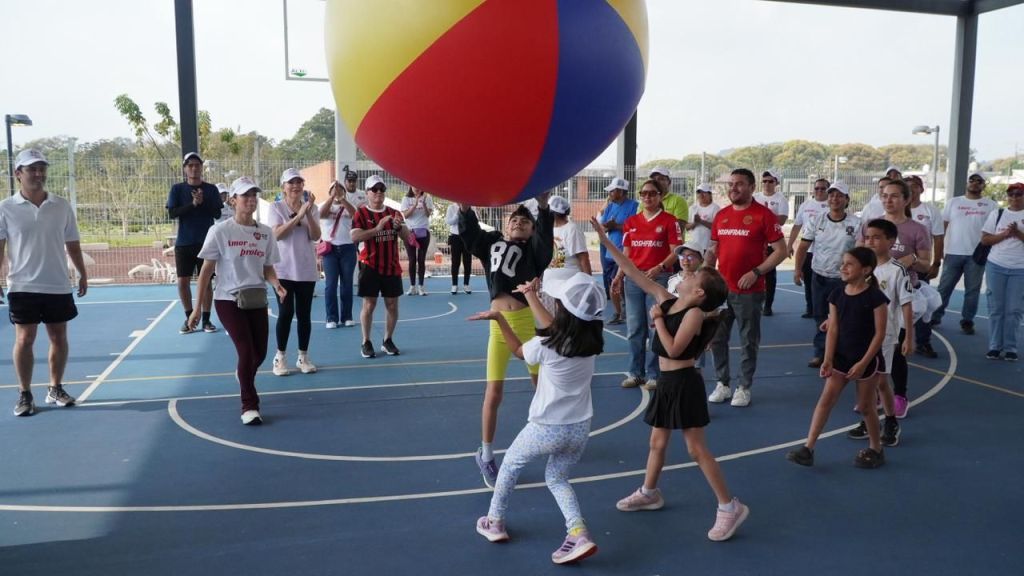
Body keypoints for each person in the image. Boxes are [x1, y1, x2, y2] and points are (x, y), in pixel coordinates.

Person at [594, 216, 749, 542]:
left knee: (696, 449)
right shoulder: (669, 301)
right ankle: (649, 492)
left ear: (699, 292)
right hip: (666, 383)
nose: (686, 272)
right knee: (657, 443)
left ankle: (729, 505)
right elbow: (634, 271)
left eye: (693, 274)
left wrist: (658, 321)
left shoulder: (693, 314)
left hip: (684, 383)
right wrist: (606, 242)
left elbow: (675, 350)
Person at [470, 269, 604, 565]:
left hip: (547, 427)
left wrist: (500, 319)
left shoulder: (547, 344)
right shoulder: (591, 341)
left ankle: (494, 521)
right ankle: (578, 532)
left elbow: (519, 351)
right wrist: (530, 295)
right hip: (580, 427)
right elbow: (556, 324)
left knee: (509, 465)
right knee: (557, 478)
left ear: (562, 311)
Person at [459, 194, 554, 487]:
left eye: (525, 221)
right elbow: (471, 236)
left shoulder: (534, 250)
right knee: (494, 392)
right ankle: (486, 454)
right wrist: (465, 208)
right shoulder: (491, 243)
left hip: (526, 322)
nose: (518, 223)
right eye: (514, 219)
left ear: (532, 229)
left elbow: (545, 241)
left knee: (541, 385)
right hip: (498, 324)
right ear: (505, 224)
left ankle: (550, 432)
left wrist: (543, 207)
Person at [188, 177, 286, 425]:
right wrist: (197, 308)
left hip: (256, 298)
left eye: (254, 195)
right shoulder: (220, 231)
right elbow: (206, 271)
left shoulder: (265, 233)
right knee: (245, 349)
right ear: (233, 200)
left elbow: (268, 267)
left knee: (259, 354)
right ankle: (249, 406)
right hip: (228, 299)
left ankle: (243, 374)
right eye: (245, 195)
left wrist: (276, 284)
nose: (251, 200)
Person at [0, 149, 87, 416]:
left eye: (41, 169)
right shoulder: (5, 208)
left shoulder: (61, 206)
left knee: (59, 337)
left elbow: (72, 243)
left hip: (57, 284)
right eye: (32, 169)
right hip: (22, 285)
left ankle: (55, 388)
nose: (38, 174)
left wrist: (82, 273)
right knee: (25, 338)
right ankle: (25, 393)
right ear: (18, 174)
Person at [787, 246, 889, 469]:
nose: (843, 267)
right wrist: (828, 358)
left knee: (866, 407)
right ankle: (808, 448)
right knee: (825, 401)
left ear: (866, 270)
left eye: (849, 264)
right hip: (841, 358)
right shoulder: (837, 294)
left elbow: (880, 334)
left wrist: (863, 363)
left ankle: (876, 448)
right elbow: (832, 329)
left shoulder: (875, 298)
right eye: (843, 263)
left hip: (866, 361)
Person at [705, 169, 787, 408]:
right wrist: (705, 275)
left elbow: (781, 251)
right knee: (717, 338)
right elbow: (713, 249)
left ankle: (743, 387)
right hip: (721, 290)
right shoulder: (721, 215)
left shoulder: (764, 215)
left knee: (748, 341)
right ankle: (722, 383)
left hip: (750, 292)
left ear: (752, 187)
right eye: (731, 184)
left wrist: (756, 272)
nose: (734, 188)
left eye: (739, 184)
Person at [857, 179, 930, 419]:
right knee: (871, 346)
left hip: (899, 297)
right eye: (885, 195)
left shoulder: (917, 229)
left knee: (896, 351)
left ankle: (899, 395)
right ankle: (875, 392)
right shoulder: (871, 225)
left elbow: (928, 265)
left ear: (907, 199)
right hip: (872, 296)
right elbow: (859, 255)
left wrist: (912, 260)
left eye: (895, 196)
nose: (888, 200)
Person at [848, 218, 913, 447]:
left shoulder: (897, 270)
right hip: (861, 334)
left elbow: (906, 304)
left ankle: (891, 421)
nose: (870, 241)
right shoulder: (863, 267)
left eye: (876, 237)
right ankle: (869, 420)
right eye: (868, 237)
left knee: (880, 382)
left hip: (885, 335)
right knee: (865, 380)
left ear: (891, 241)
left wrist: (909, 337)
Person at [613, 179, 681, 390]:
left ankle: (654, 374)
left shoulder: (670, 221)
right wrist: (619, 275)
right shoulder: (631, 222)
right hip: (634, 279)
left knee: (655, 327)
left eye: (652, 193)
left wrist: (660, 267)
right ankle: (635, 373)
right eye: (643, 194)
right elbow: (627, 253)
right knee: (634, 328)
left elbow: (676, 251)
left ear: (660, 196)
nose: (647, 197)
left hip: (659, 279)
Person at [793, 182, 860, 368]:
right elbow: (803, 247)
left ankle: (844, 353)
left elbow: (861, 251)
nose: (834, 199)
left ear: (847, 200)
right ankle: (821, 353)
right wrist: (797, 269)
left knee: (845, 318)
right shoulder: (817, 220)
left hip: (844, 280)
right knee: (820, 317)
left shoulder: (856, 223)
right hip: (820, 277)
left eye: (839, 195)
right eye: (832, 195)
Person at [350, 175, 413, 358]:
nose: (378, 192)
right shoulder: (361, 213)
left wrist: (399, 228)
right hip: (370, 265)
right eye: (374, 189)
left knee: (392, 305)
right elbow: (354, 237)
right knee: (369, 304)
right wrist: (377, 229)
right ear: (367, 192)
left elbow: (407, 237)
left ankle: (388, 339)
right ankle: (366, 341)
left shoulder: (394, 212)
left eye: (382, 189)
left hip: (391, 265)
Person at [268, 168, 322, 376]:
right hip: (283, 270)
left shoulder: (312, 208)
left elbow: (315, 236)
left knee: (304, 314)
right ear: (283, 187)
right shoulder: (276, 207)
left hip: (306, 269)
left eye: (299, 182)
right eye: (291, 183)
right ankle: (280, 356)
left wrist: (307, 213)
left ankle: (303, 356)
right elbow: (277, 235)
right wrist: (297, 216)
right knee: (286, 312)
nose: (295, 186)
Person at [933, 172, 997, 336]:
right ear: (967, 183)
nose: (975, 183)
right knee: (944, 288)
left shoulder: (991, 205)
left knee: (972, 291)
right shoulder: (953, 202)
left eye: (979, 181)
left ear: (984, 185)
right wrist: (939, 249)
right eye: (972, 180)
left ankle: (967, 321)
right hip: (953, 253)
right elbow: (942, 226)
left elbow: (994, 230)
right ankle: (935, 316)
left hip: (977, 255)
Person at [167, 152, 223, 335]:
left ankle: (206, 319)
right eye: (190, 165)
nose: (194, 168)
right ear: (185, 168)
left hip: (206, 242)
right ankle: (190, 317)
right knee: (182, 281)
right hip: (184, 242)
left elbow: (217, 213)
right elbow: (172, 213)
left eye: (197, 165)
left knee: (205, 281)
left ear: (201, 167)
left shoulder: (211, 189)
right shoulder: (177, 189)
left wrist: (202, 202)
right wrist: (192, 204)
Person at [979, 182, 1024, 361]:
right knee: (996, 308)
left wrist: (1018, 233)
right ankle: (995, 346)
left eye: (1018, 194)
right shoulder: (997, 214)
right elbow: (985, 240)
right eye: (1011, 194)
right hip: (996, 266)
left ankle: (1010, 347)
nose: (1014, 197)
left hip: (1020, 268)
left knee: (1014, 309)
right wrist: (1004, 234)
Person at [906, 175, 945, 358]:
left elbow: (938, 238)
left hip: (920, 266)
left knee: (923, 305)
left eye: (915, 186)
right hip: (897, 266)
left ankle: (923, 341)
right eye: (907, 186)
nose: (911, 189)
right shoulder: (896, 209)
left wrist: (936, 263)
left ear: (921, 189)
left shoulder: (930, 211)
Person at [318, 170, 363, 329]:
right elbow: (321, 214)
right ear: (329, 192)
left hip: (348, 248)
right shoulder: (323, 206)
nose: (337, 192)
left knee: (347, 283)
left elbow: (355, 215)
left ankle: (347, 316)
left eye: (340, 189)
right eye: (334, 190)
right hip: (330, 250)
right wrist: (332, 198)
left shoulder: (349, 205)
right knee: (330, 284)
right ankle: (331, 317)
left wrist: (342, 198)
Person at [598, 177, 638, 325]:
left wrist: (615, 226)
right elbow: (603, 227)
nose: (609, 194)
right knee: (613, 282)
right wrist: (607, 226)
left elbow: (635, 228)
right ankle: (621, 311)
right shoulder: (610, 206)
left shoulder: (634, 206)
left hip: (625, 252)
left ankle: (621, 311)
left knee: (620, 282)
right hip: (610, 251)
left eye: (612, 191)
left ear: (621, 192)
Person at [789, 178, 830, 318]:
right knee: (808, 282)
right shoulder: (805, 205)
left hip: (825, 252)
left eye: (823, 188)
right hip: (808, 251)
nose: (819, 191)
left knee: (825, 282)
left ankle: (827, 310)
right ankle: (810, 308)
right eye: (817, 188)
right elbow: (797, 226)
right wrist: (789, 245)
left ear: (828, 190)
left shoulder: (831, 205)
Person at [753, 170, 788, 316]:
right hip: (755, 242)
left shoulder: (781, 199)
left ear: (776, 183)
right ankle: (754, 303)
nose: (767, 184)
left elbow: (782, 220)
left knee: (769, 274)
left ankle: (768, 305)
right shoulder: (755, 197)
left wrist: (765, 216)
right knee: (752, 271)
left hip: (771, 243)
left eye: (770, 181)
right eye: (764, 181)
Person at [401, 186, 434, 295]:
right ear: (410, 186)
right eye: (414, 186)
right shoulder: (406, 199)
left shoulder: (427, 198)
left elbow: (428, 214)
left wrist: (424, 204)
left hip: (423, 231)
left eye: (419, 186)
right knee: (412, 260)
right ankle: (412, 286)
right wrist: (414, 205)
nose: (417, 188)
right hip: (410, 233)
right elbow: (406, 216)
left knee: (421, 259)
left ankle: (421, 286)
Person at [549, 195, 591, 274]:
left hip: (569, 280)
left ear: (553, 213)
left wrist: (589, 280)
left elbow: (583, 259)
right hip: (549, 280)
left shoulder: (572, 229)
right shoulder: (548, 229)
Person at [445, 201, 475, 295]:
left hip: (467, 237)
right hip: (455, 237)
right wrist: (458, 213)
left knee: (467, 261)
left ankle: (466, 284)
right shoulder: (451, 207)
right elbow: (449, 222)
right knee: (455, 261)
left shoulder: (471, 207)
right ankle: (454, 284)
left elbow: (475, 221)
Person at [686, 183, 721, 254]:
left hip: (709, 246)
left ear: (710, 194)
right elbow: (687, 227)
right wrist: (695, 223)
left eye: (704, 192)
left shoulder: (715, 208)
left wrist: (701, 221)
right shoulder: (693, 208)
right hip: (694, 246)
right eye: (699, 192)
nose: (701, 195)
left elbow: (717, 228)